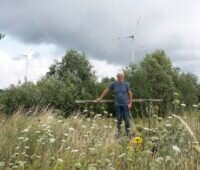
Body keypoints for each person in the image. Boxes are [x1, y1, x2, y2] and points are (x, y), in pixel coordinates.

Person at [96, 70, 133, 135]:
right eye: (118, 76)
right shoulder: (113, 84)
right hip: (117, 105)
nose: (120, 77)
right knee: (118, 119)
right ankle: (118, 134)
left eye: (121, 76)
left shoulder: (126, 84)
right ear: (116, 77)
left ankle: (128, 134)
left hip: (125, 105)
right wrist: (101, 97)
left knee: (127, 120)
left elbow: (130, 93)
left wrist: (130, 103)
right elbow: (107, 90)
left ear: (123, 77)